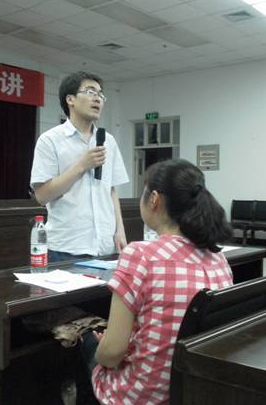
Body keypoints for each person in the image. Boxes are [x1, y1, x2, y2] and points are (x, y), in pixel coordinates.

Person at [88, 159, 234, 404]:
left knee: (86, 347)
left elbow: (112, 353)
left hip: (143, 394)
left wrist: (105, 348)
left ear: (154, 199)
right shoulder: (218, 258)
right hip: (192, 388)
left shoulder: (140, 255)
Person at [30, 71, 129, 262]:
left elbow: (110, 190)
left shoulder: (108, 140)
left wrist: (120, 230)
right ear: (70, 99)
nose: (98, 98)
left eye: (100, 94)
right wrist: (81, 166)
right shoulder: (50, 140)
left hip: (105, 247)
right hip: (66, 249)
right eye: (90, 92)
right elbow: (42, 196)